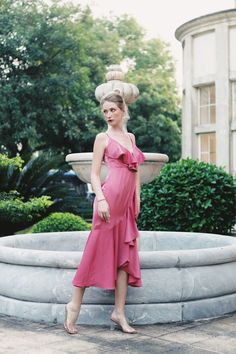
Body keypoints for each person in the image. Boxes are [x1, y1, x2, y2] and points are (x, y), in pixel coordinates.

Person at [64, 90, 145, 335]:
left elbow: (135, 171)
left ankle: (118, 312)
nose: (108, 115)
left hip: (126, 207)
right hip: (107, 204)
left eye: (113, 110)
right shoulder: (102, 138)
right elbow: (95, 174)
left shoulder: (130, 137)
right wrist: (100, 199)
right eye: (105, 111)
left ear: (123, 111)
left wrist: (137, 197)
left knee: (124, 259)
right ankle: (73, 306)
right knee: (93, 253)